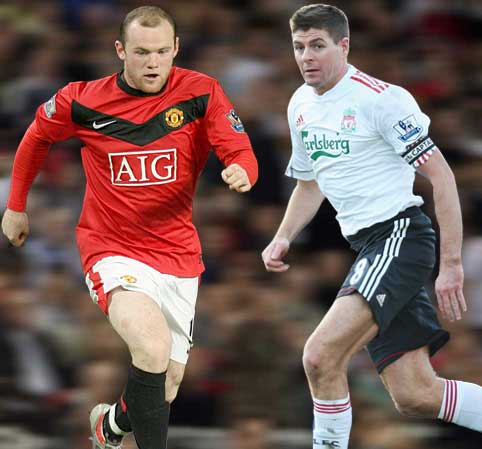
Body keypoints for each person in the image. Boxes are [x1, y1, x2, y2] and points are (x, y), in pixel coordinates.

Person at [2, 6, 257, 449]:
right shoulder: (82, 100)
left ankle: (110, 427)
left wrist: (243, 170)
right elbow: (37, 136)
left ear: (176, 48)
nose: (152, 62)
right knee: (152, 348)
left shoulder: (202, 92)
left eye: (161, 52)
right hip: (112, 249)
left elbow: (240, 149)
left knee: (165, 384)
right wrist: (16, 207)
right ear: (120, 50)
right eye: (141, 52)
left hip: (178, 255)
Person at [262, 4, 482, 449]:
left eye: (318, 46)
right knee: (415, 394)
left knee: (320, 356)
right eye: (299, 47)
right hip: (369, 249)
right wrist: (283, 235)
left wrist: (451, 264)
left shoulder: (381, 99)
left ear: (344, 46)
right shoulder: (300, 104)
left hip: (400, 237)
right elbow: (310, 183)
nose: (307, 57)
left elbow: (442, 176)